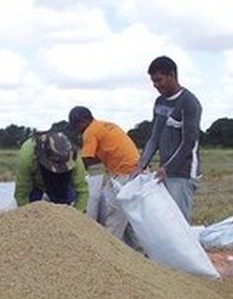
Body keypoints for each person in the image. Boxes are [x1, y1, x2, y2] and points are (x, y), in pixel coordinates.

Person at [133, 55, 202, 222]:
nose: (156, 85)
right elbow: (154, 137)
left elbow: (189, 143)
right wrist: (142, 163)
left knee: (177, 221)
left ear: (172, 75)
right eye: (153, 81)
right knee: (162, 221)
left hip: (182, 173)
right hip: (164, 172)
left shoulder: (189, 102)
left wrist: (168, 168)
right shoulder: (160, 102)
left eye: (159, 80)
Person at [68, 106, 139, 242]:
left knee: (115, 217)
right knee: (130, 219)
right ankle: (138, 255)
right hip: (135, 173)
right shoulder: (104, 125)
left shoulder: (90, 131)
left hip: (123, 175)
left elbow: (87, 160)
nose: (77, 131)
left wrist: (73, 177)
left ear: (81, 121)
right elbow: (100, 155)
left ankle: (109, 253)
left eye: (76, 126)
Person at [14, 130, 89, 212]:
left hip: (62, 180)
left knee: (65, 199)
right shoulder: (27, 157)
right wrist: (26, 216)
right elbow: (22, 193)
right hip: (37, 182)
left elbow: (82, 190)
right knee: (33, 201)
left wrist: (78, 216)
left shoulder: (73, 157)